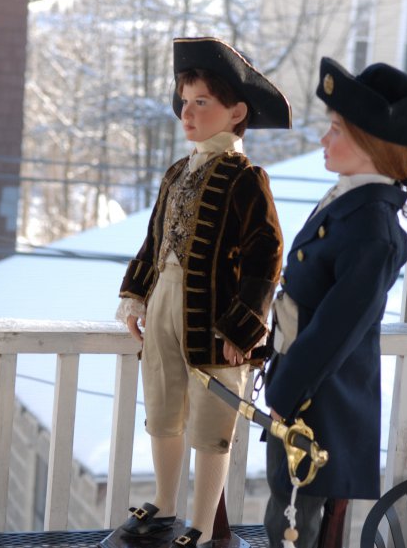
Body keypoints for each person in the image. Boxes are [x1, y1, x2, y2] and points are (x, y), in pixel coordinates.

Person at [263, 58, 407, 548]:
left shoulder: (374, 230)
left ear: (373, 145)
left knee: (294, 526)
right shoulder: (349, 202)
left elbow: (335, 330)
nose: (324, 139)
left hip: (319, 402)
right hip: (300, 388)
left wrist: (285, 392)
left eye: (337, 129)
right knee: (284, 512)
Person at [116, 37, 290, 547]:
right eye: (184, 101)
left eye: (201, 102)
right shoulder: (176, 172)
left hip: (215, 322)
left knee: (213, 423)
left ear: (236, 112)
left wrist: (243, 326)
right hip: (163, 305)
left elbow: (266, 256)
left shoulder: (246, 177)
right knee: (162, 407)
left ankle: (201, 524)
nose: (187, 113)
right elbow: (154, 240)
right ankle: (165, 504)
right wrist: (135, 296)